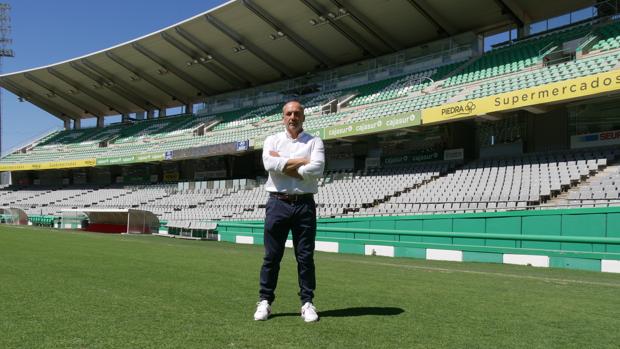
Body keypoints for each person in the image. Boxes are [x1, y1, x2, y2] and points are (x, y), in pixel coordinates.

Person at [253, 100, 325, 322]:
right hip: (277, 203)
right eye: (289, 114)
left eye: (297, 113)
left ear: (303, 117)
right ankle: (265, 301)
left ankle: (307, 302)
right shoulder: (272, 140)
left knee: (305, 257)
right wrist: (302, 164)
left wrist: (283, 165)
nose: (293, 117)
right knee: (272, 256)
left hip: (304, 204)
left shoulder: (315, 141)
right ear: (283, 117)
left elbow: (318, 168)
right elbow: (268, 164)